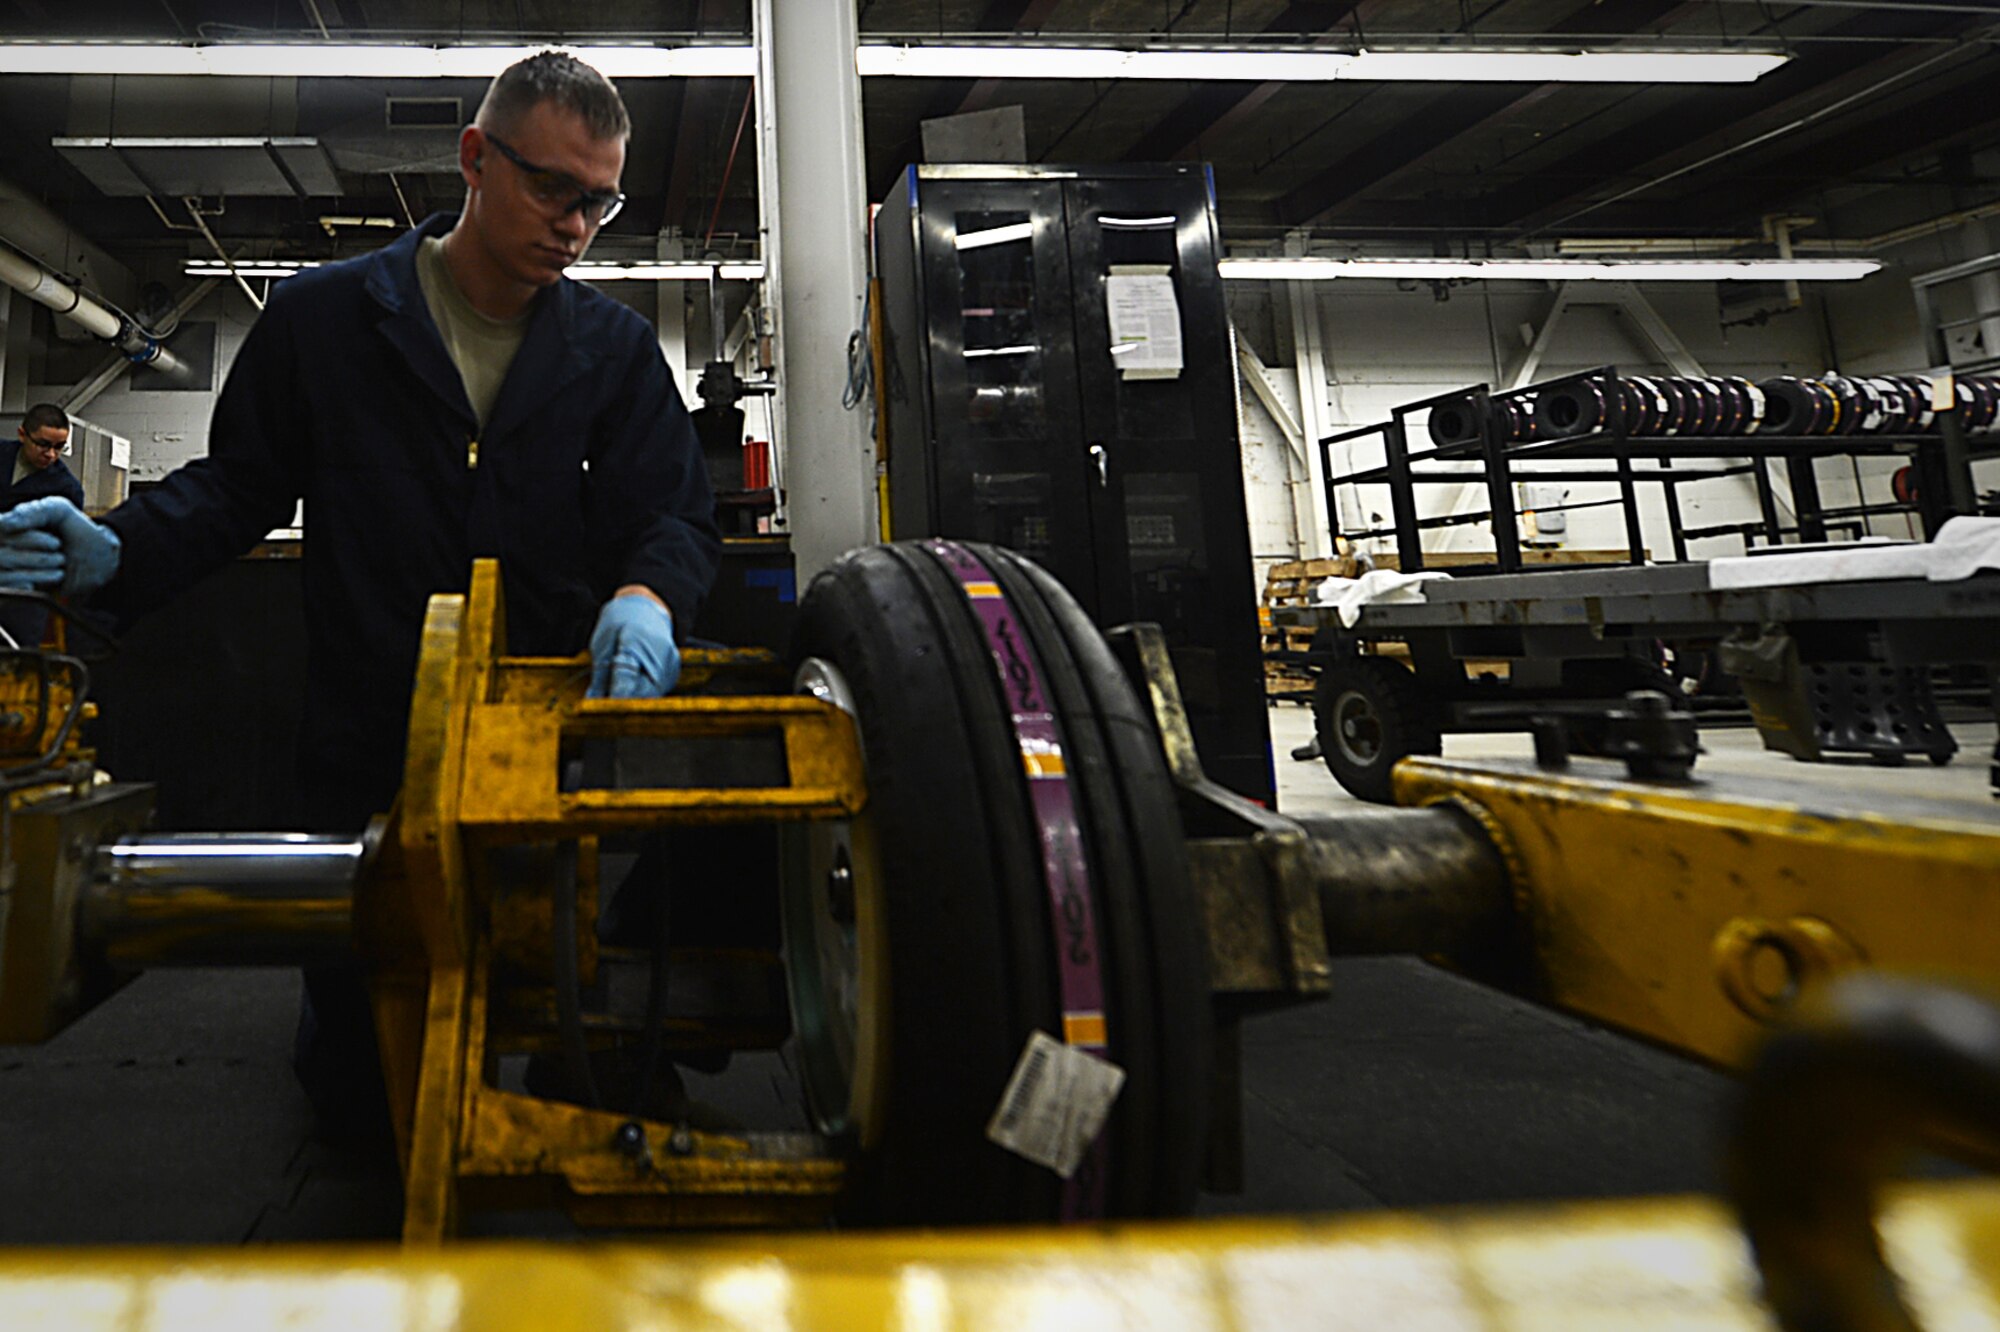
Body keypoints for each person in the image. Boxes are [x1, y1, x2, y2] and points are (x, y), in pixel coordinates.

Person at [0, 51, 721, 1140]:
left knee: (550, 971)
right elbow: (237, 487)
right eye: (552, 190)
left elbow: (665, 515)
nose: (576, 226)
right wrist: (119, 551)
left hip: (541, 718)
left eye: (599, 201)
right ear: (475, 158)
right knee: (360, 1093)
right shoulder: (324, 322)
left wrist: (646, 599)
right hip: (368, 726)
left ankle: (596, 1042)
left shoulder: (613, 351)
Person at [0, 403, 87, 647]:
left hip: (24, 590)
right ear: (22, 434)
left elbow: (60, 549)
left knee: (18, 659)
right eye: (43, 444)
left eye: (59, 447)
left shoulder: (66, 490)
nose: (50, 454)